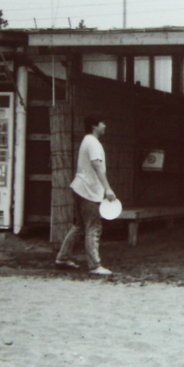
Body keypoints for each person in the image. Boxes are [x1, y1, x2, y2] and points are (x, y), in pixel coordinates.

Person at [55, 115, 116, 276]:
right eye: (102, 123)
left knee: (79, 226)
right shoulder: (93, 143)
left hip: (79, 188)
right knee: (93, 226)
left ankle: (63, 257)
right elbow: (97, 165)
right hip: (88, 190)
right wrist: (108, 189)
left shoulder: (87, 141)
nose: (105, 126)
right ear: (95, 126)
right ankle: (95, 265)